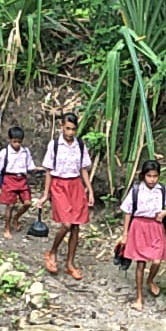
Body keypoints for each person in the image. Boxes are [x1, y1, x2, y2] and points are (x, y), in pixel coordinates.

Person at [41, 113, 94, 279]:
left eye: (73, 129)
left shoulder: (79, 144)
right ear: (62, 127)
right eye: (67, 128)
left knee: (76, 225)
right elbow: (48, 171)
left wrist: (89, 190)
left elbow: (83, 169)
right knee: (66, 224)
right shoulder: (55, 145)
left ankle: (70, 263)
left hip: (76, 185)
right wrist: (45, 194)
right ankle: (52, 251)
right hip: (59, 185)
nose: (70, 132)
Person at [118, 160, 166, 310]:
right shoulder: (137, 190)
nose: (152, 179)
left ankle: (150, 280)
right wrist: (125, 233)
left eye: (155, 176)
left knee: (157, 261)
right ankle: (139, 297)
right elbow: (127, 211)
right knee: (140, 263)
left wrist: (164, 213)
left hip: (155, 227)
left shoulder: (161, 189)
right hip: (139, 227)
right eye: (149, 176)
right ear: (144, 176)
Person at [0, 126, 40, 239]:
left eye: (19, 142)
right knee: (10, 205)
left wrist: (40, 169)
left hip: (22, 179)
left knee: (27, 203)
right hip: (9, 179)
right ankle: (7, 227)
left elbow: (30, 166)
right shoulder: (5, 152)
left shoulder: (25, 152)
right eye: (14, 141)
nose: (17, 144)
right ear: (9, 140)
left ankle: (16, 217)